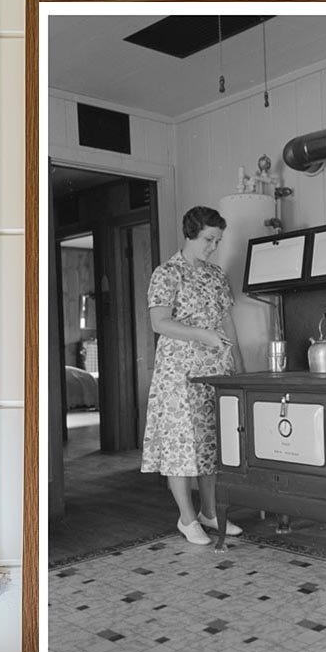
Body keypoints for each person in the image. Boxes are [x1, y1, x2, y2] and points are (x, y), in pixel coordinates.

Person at [141, 205, 245, 545]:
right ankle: (187, 518)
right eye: (208, 239)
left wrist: (239, 366)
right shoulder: (167, 273)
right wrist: (203, 335)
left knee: (211, 442)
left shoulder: (216, 275)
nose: (213, 246)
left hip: (216, 369)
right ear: (190, 234)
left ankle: (210, 513)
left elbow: (228, 323)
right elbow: (160, 323)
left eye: (217, 240)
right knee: (181, 445)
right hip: (179, 372)